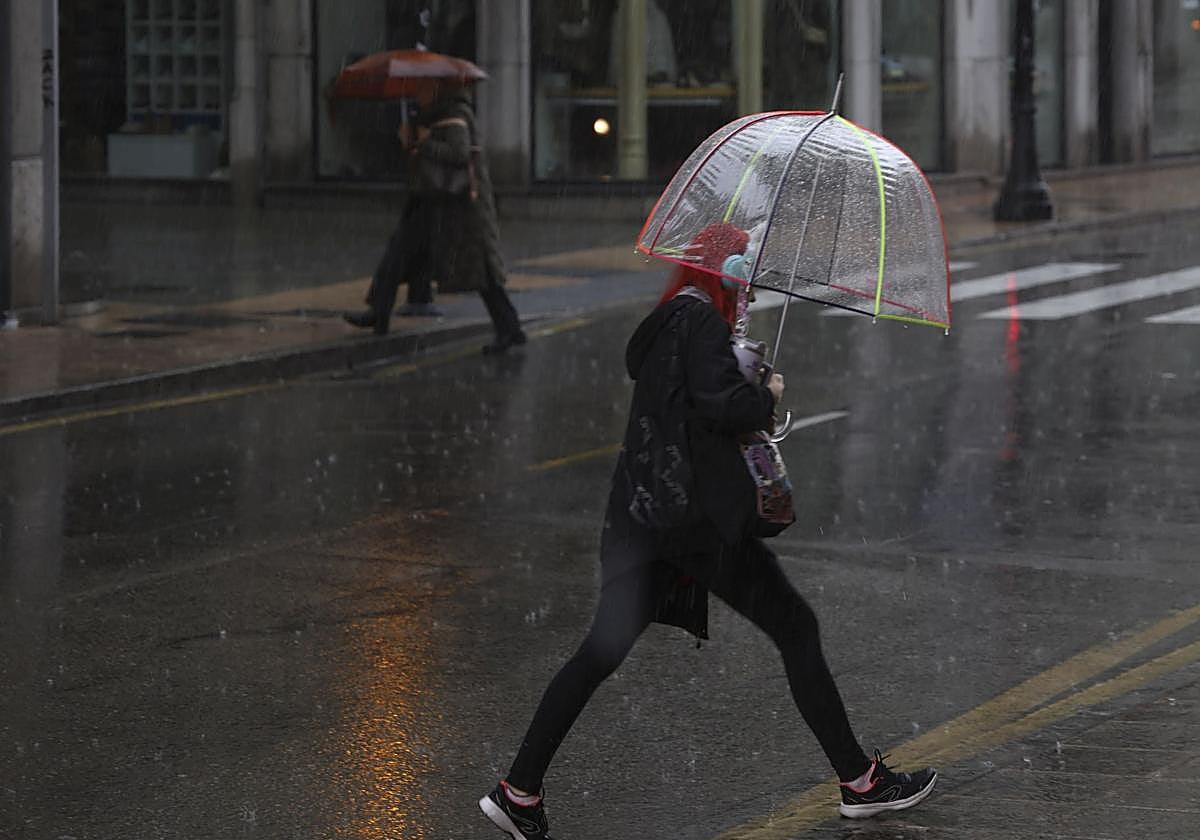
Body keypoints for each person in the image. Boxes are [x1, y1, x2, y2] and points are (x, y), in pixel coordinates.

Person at [478, 222, 937, 839]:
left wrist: (738, 371)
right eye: (742, 273)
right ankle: (860, 781)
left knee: (600, 651)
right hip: (695, 523)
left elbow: (691, 408)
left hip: (646, 522)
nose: (747, 288)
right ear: (719, 271)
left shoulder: (674, 319)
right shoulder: (700, 323)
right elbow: (726, 407)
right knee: (797, 628)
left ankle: (518, 791)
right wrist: (765, 393)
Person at [345, 86, 525, 354]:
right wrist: (412, 141)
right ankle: (379, 311)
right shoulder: (432, 116)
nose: (418, 96)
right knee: (398, 253)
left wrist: (426, 142)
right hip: (433, 202)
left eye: (423, 91)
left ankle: (508, 327)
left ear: (437, 91)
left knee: (481, 272)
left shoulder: (455, 115)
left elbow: (459, 154)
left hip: (459, 207)